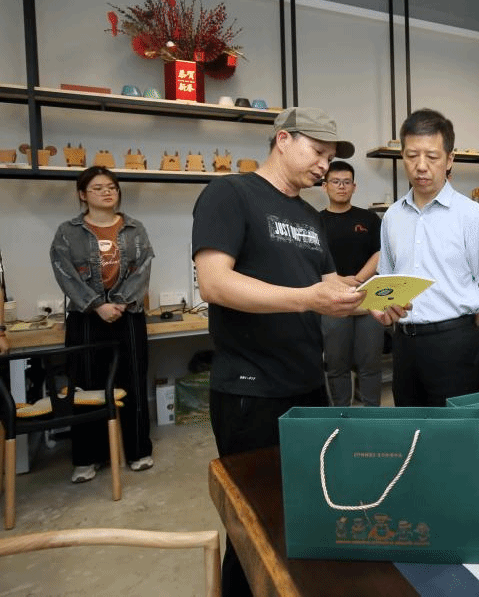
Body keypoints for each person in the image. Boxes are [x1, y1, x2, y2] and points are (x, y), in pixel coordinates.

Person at [191, 107, 364, 597]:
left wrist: (373, 301)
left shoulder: (309, 216)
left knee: (308, 510)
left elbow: (329, 285)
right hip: (251, 392)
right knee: (253, 523)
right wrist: (307, 298)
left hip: (307, 385)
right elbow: (214, 283)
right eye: (318, 152)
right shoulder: (231, 194)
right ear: (283, 140)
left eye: (331, 157)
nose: (325, 165)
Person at [372, 108, 479, 407]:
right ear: (402, 157)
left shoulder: (471, 215)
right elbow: (386, 280)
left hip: (454, 342)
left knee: (454, 429)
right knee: (410, 426)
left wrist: (461, 327)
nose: (421, 166)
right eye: (411, 156)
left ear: (449, 159)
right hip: (404, 343)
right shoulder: (392, 216)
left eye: (432, 157)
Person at [50, 166, 155, 483]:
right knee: (85, 386)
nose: (107, 192)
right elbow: (64, 272)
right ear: (83, 195)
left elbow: (143, 268)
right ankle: (87, 458)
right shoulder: (68, 232)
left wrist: (120, 302)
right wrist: (97, 304)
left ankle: (138, 451)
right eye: (98, 188)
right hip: (85, 316)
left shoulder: (134, 228)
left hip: (128, 314)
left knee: (133, 381)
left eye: (111, 187)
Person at [320, 159, 385, 406]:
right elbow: (312, 259)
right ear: (325, 186)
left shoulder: (369, 219)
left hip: (368, 299)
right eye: (335, 181)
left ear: (354, 187)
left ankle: (371, 415)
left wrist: (358, 280)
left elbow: (380, 253)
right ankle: (341, 415)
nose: (341, 186)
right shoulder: (315, 221)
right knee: (336, 365)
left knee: (371, 364)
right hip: (333, 300)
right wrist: (338, 281)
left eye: (346, 182)